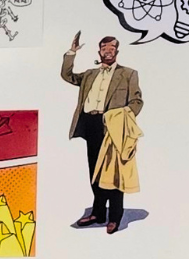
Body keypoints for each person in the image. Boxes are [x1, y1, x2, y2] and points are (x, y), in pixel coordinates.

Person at [61, 33, 143, 234]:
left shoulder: (128, 74)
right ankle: (97, 213)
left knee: (114, 173)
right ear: (99, 51)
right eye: (104, 49)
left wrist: (122, 117)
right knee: (95, 172)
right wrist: (72, 52)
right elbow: (67, 75)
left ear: (117, 51)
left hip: (113, 127)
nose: (108, 52)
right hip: (91, 125)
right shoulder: (90, 74)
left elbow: (137, 101)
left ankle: (115, 217)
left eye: (111, 48)